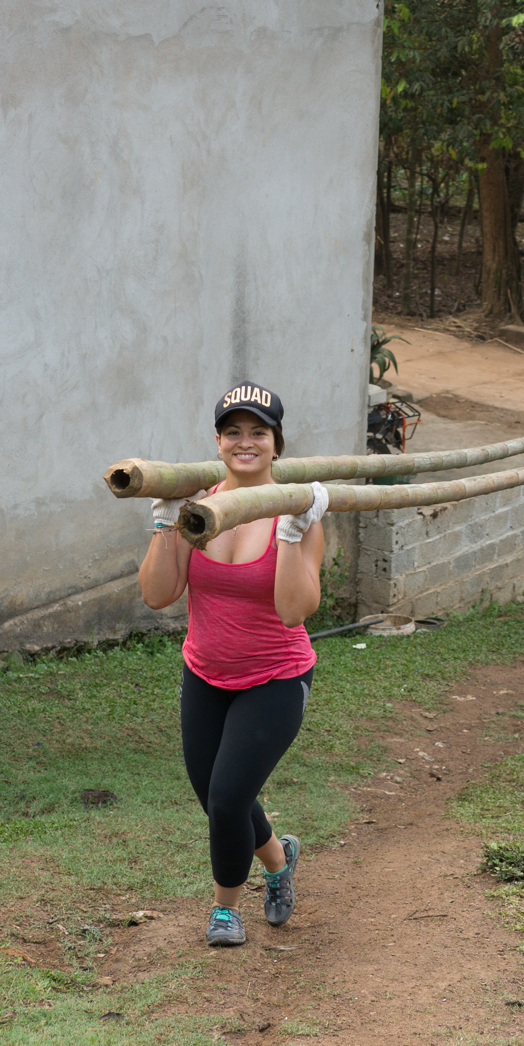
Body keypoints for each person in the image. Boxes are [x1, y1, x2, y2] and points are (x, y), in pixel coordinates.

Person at [138, 384, 327, 948]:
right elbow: (158, 594)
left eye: (258, 433)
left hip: (276, 676)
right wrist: (165, 524)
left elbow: (294, 612)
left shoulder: (299, 511)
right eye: (234, 432)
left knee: (225, 799)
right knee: (221, 795)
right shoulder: (200, 507)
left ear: (276, 445)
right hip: (205, 673)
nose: (245, 442)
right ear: (218, 442)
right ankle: (278, 858)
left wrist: (292, 533)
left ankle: (224, 909)